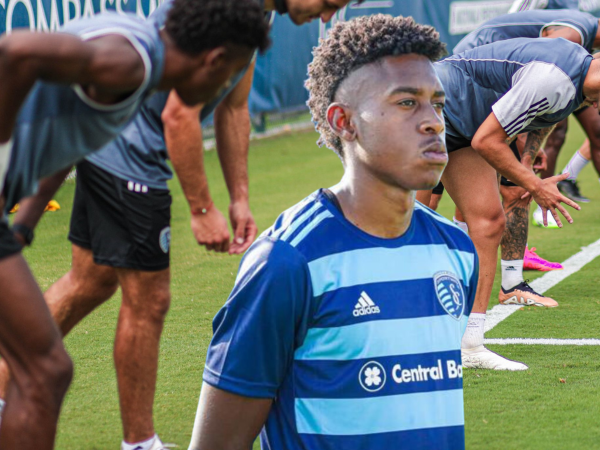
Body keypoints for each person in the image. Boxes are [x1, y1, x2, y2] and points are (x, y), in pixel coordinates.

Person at [0, 1, 356, 448]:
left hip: (72, 172)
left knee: (73, 319)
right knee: (95, 334)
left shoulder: (141, 80)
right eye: (328, 3)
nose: (326, 15)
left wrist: (23, 225)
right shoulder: (135, 58)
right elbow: (15, 51)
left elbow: (77, 136)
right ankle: (140, 443)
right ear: (211, 61)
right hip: (132, 161)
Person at [188, 14, 479, 450]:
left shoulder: (457, 250)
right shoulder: (287, 261)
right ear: (345, 121)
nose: (434, 122)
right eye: (406, 103)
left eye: (436, 103)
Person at [434, 36, 600, 370]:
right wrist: (536, 185)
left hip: (463, 122)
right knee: (405, 221)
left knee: (488, 223)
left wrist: (524, 164)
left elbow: (530, 117)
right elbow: (487, 141)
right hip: (432, 105)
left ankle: (470, 345)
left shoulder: (577, 80)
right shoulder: (554, 78)